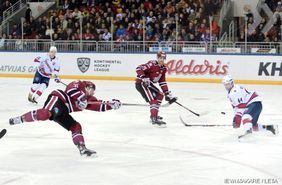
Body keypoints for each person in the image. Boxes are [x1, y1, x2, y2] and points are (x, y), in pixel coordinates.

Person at [9, 80, 122, 157]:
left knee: (75, 126)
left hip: (64, 111)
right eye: (92, 90)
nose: (92, 93)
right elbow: (70, 89)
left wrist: (112, 104)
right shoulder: (80, 84)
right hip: (59, 99)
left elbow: (99, 106)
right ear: (88, 87)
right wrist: (82, 98)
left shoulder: (90, 98)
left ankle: (82, 148)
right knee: (45, 114)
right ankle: (20, 119)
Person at [135, 51, 177, 127]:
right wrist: (143, 77)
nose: (162, 60)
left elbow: (162, 82)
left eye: (163, 58)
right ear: (157, 58)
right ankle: (154, 119)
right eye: (160, 58)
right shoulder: (152, 64)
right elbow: (138, 68)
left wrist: (167, 93)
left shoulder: (163, 68)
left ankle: (154, 115)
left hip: (148, 84)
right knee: (153, 100)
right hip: (141, 83)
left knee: (160, 95)